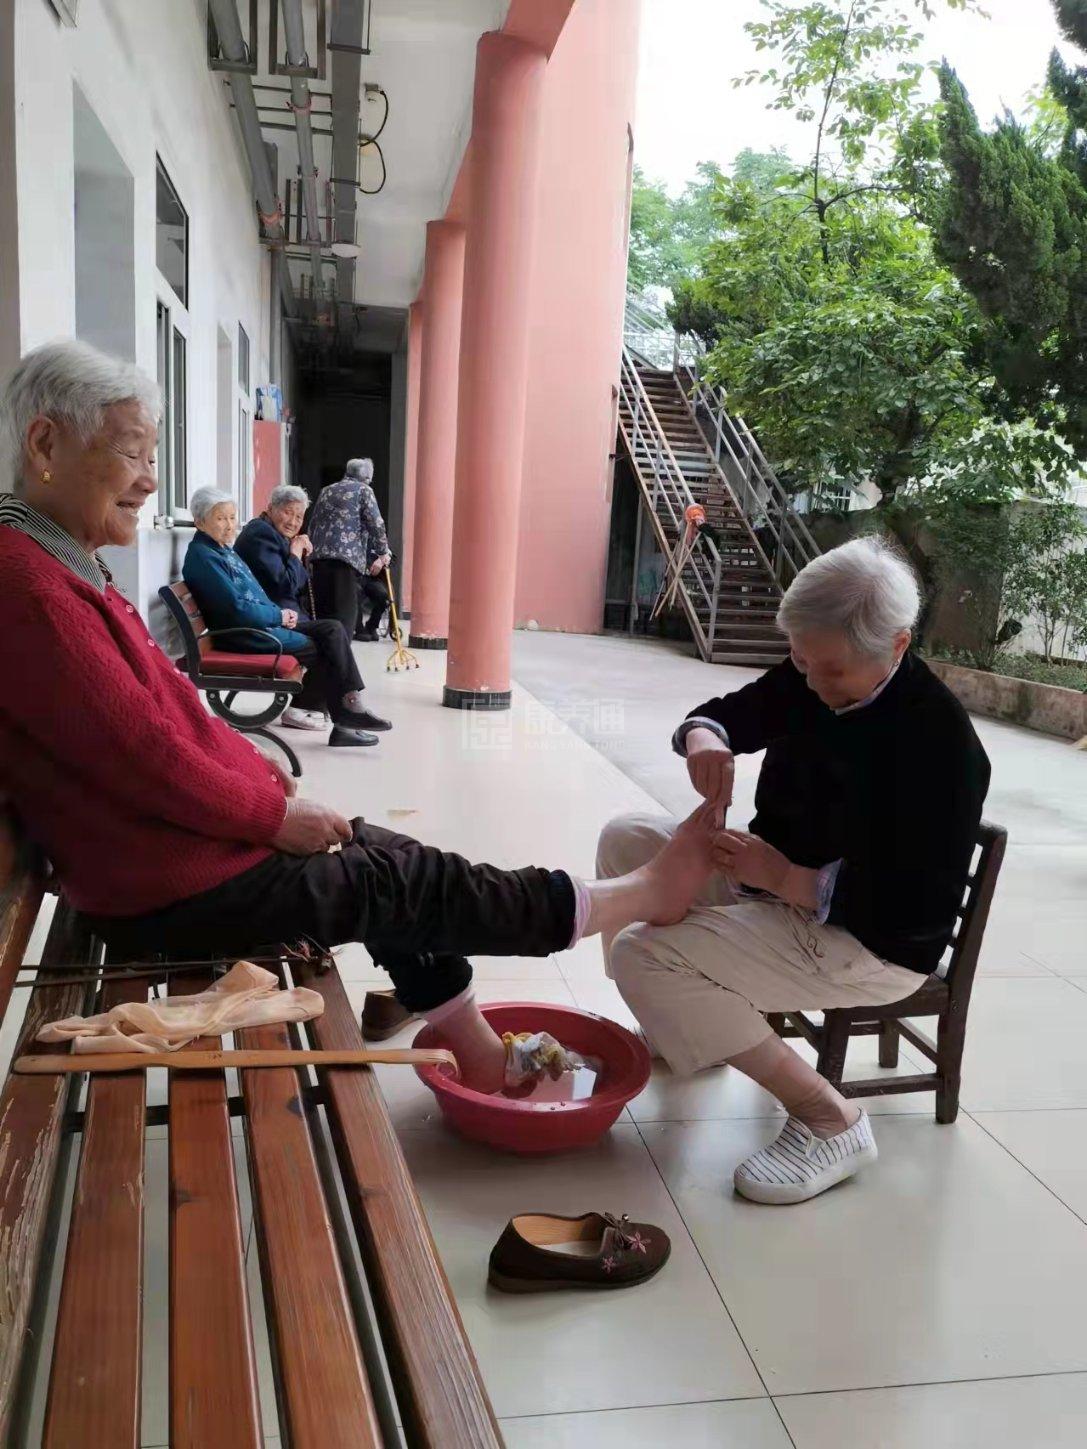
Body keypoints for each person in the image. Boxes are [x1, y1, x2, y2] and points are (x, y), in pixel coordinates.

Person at [0, 339, 718, 1094]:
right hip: (159, 890)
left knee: (381, 856)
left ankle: (477, 1047)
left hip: (158, 858)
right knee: (394, 880)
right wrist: (271, 815)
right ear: (46, 444)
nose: (150, 479)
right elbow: (147, 755)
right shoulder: (32, 588)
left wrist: (268, 797)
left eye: (152, 455)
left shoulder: (55, 565)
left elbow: (170, 717)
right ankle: (627, 900)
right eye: (131, 453)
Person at [598, 537, 991, 1204]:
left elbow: (907, 902)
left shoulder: (940, 747)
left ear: (896, 647)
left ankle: (828, 1116)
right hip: (776, 880)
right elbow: (731, 713)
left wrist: (785, 877)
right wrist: (705, 741)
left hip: (868, 939)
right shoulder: (815, 670)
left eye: (828, 670)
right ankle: (675, 1025)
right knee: (626, 839)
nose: (811, 683)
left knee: (644, 956)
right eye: (801, 663)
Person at [182, 487, 390, 748]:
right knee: (329, 641)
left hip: (253, 627)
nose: (229, 526)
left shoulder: (221, 551)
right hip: (245, 635)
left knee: (333, 630)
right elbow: (240, 608)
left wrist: (278, 614)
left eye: (232, 518)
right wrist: (278, 615)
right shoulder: (205, 557)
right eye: (221, 518)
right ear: (200, 521)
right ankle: (347, 715)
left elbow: (258, 594)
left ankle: (348, 714)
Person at [309, 458, 392, 641]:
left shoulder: (326, 490)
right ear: (367, 478)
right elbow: (376, 524)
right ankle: (340, 656)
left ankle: (324, 656)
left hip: (320, 559)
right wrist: (383, 552)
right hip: (345, 560)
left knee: (325, 613)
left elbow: (313, 523)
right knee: (344, 614)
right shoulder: (364, 490)